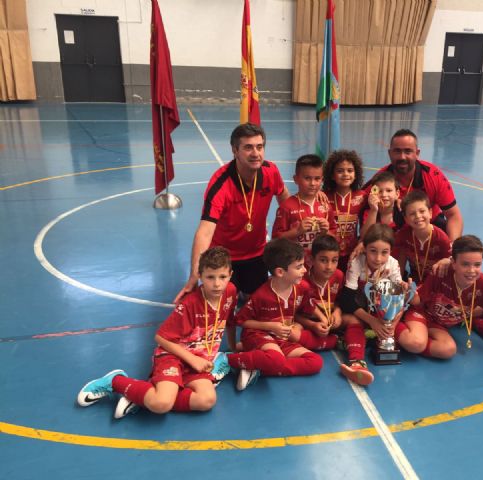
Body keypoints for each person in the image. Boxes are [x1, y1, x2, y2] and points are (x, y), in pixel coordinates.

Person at [77, 247, 237, 418]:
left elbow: (230, 320)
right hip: (173, 356)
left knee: (207, 400)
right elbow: (161, 338)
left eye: (222, 277)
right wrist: (192, 359)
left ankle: (142, 395)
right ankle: (115, 381)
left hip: (199, 360)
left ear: (230, 275)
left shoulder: (230, 291)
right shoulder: (190, 304)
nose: (217, 284)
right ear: (199, 276)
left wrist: (233, 347)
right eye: (210, 277)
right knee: (161, 404)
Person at [174, 123, 289, 309]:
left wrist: (308, 205)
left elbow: (286, 201)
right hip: (224, 257)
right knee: (223, 306)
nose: (255, 153)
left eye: (260, 147)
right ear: (235, 150)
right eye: (248, 147)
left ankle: (244, 290)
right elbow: (204, 232)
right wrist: (194, 276)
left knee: (258, 305)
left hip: (256, 253)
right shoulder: (220, 184)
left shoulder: (271, 171)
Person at [217, 238, 324, 391]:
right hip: (258, 334)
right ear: (280, 272)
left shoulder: (302, 288)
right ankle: (226, 359)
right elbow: (241, 321)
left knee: (315, 362)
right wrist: (271, 326)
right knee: (276, 359)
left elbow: (305, 312)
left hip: (281, 338)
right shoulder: (261, 295)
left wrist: (316, 321)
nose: (305, 270)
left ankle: (256, 366)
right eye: (299, 267)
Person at [337, 224, 407, 386]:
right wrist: (372, 321)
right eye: (373, 251)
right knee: (353, 322)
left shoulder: (393, 264)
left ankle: (360, 339)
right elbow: (347, 300)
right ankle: (356, 362)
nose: (378, 258)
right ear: (365, 248)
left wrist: (392, 325)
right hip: (359, 310)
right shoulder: (357, 261)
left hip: (380, 313)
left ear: (391, 251)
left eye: (384, 252)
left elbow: (398, 302)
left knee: (410, 341)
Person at [367, 128, 463, 241]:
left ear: (417, 153)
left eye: (408, 151)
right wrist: (362, 242)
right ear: (390, 153)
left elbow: (453, 216)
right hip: (394, 230)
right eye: (397, 151)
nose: (402, 157)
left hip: (429, 225)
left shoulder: (433, 176)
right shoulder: (380, 180)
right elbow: (357, 202)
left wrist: (452, 246)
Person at [272, 154, 336, 267]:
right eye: (307, 178)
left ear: (322, 180)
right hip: (294, 267)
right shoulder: (286, 206)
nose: (312, 183)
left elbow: (336, 238)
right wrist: (297, 231)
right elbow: (275, 239)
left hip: (320, 267)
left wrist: (326, 232)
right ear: (296, 179)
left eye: (317, 179)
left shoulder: (326, 205)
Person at [393, 190, 452, 285]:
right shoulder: (403, 235)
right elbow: (399, 262)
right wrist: (398, 283)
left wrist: (449, 260)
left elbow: (452, 262)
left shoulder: (442, 239)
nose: (418, 216)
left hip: (437, 283)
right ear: (406, 219)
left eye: (422, 211)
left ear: (430, 213)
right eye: (412, 214)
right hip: (413, 281)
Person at [295, 234, 343, 348]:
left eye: (334, 261)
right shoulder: (301, 280)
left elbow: (339, 302)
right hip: (306, 321)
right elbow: (293, 314)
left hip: (328, 321)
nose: (329, 266)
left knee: (352, 320)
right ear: (312, 260)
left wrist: (337, 312)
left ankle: (355, 353)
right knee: (294, 330)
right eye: (323, 260)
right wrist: (312, 325)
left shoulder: (339, 276)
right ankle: (333, 342)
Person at [323, 149, 367, 273]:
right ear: (332, 175)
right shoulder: (323, 196)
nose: (345, 174)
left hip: (352, 252)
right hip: (328, 251)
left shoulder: (362, 196)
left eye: (350, 170)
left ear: (356, 174)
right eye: (340, 171)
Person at [359, 171, 405, 239]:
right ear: (373, 193)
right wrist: (373, 210)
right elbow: (364, 237)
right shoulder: (369, 212)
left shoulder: (402, 210)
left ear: (397, 194)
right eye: (380, 191)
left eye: (389, 190)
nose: (384, 195)